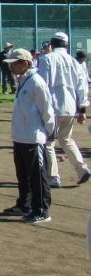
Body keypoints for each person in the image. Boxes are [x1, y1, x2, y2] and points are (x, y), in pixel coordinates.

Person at [2, 49, 55, 224]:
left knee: (37, 176)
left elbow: (47, 110)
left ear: (25, 63)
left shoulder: (36, 82)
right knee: (22, 175)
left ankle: (41, 209)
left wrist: (50, 131)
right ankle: (24, 204)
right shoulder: (22, 81)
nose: (11, 67)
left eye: (14, 63)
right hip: (20, 137)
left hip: (33, 137)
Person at [37, 32, 90, 188]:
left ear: (52, 44)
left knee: (48, 142)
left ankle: (53, 176)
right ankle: (82, 169)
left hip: (52, 107)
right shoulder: (74, 62)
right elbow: (82, 87)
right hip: (70, 106)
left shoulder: (46, 59)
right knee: (66, 139)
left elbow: (43, 84)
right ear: (66, 45)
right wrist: (82, 110)